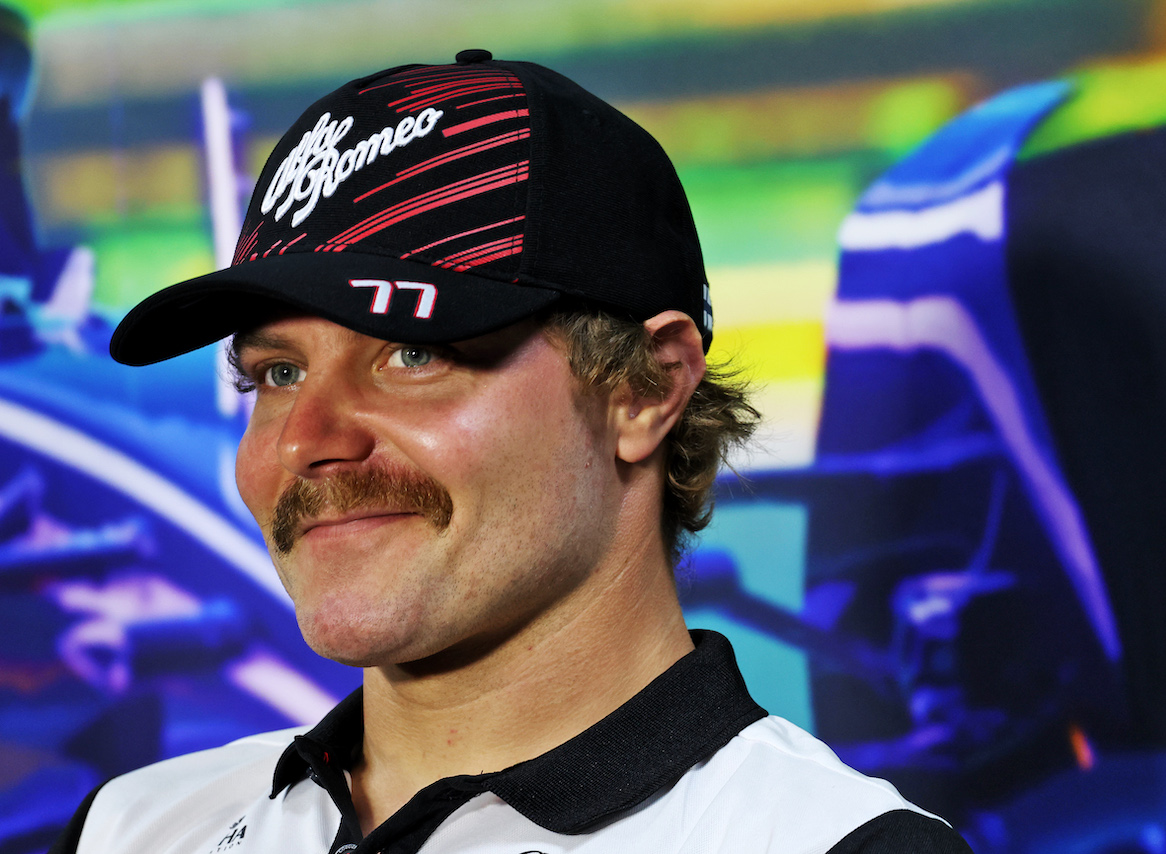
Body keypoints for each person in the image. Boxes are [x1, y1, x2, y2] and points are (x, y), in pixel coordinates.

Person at [51, 50, 972, 854]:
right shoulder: (130, 828)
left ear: (646, 392)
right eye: (277, 373)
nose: (307, 442)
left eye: (412, 354)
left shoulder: (823, 846)